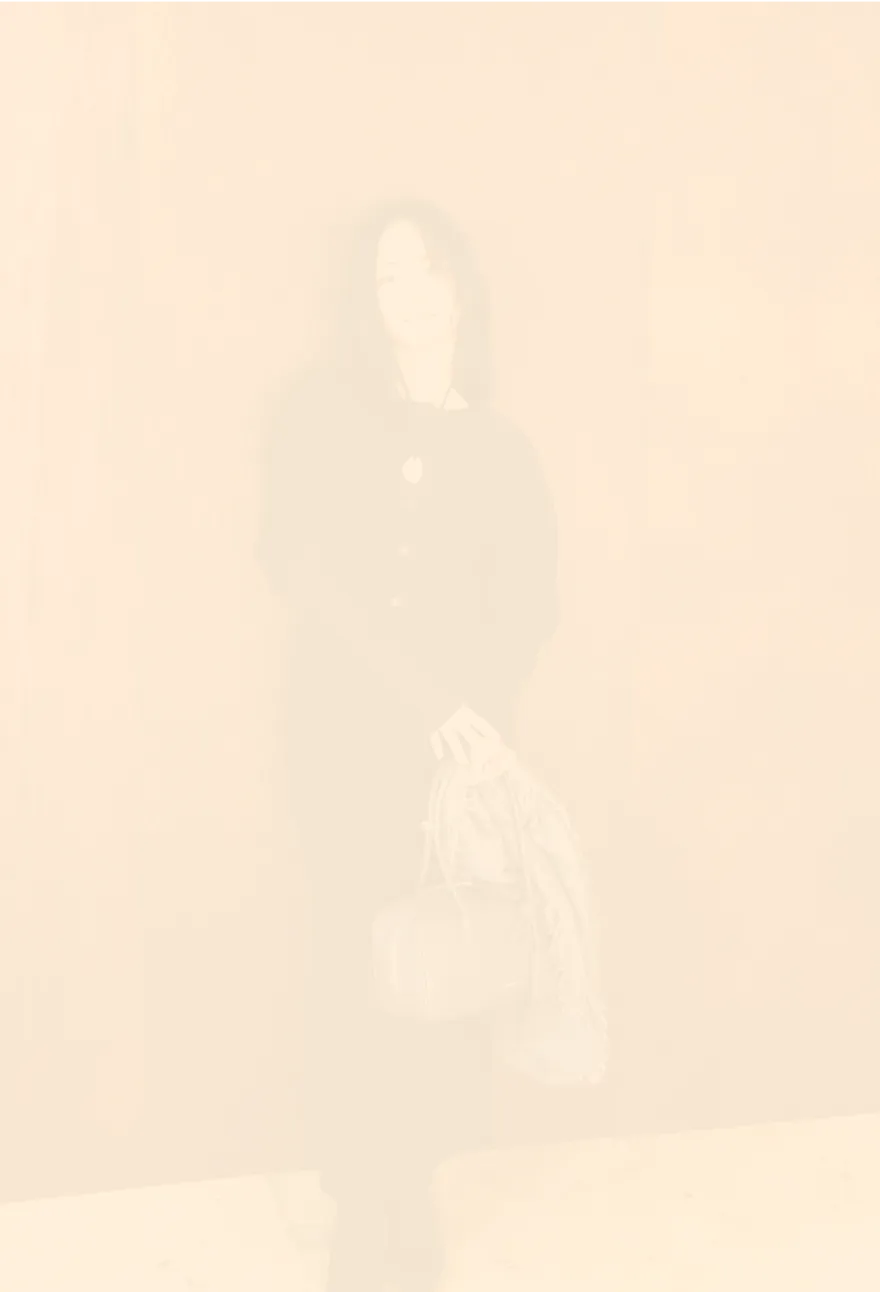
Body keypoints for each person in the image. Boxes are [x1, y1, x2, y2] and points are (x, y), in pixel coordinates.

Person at [257, 197, 559, 1291]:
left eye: (428, 270)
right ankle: (360, 1196)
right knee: (353, 963)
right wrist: (423, 698)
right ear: (366, 301)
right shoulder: (320, 414)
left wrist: (476, 722)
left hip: (451, 759)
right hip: (341, 739)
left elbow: (526, 606)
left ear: (461, 286)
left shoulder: (499, 447)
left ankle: (411, 1185)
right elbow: (300, 567)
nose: (412, 296)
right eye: (388, 277)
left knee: (435, 964)